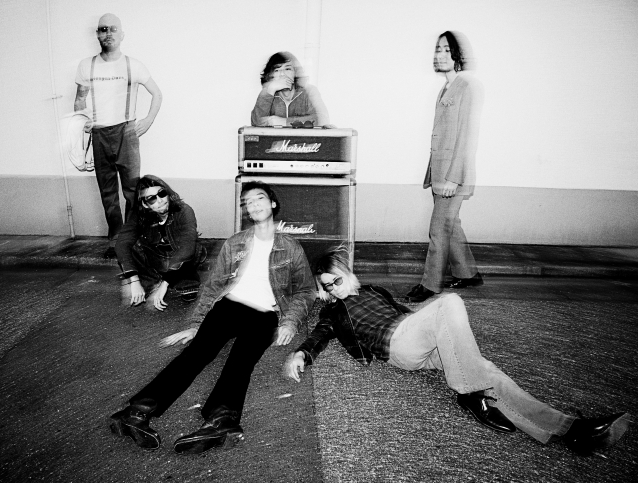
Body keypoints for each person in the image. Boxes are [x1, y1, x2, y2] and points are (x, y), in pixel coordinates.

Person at [285, 248, 631, 456]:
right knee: (450, 300)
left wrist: (432, 320)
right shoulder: (333, 312)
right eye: (327, 286)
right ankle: (468, 393)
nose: (334, 289)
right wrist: (303, 353)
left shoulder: (374, 289)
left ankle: (571, 430)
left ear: (347, 274)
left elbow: (407, 312)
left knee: (484, 367)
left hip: (418, 334)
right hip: (398, 345)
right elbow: (319, 335)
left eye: (337, 280)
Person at [110, 181, 316, 454]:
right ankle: (135, 413)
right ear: (246, 210)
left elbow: (306, 290)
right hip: (229, 306)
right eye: (248, 202)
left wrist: (290, 321)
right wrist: (196, 324)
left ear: (273, 204)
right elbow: (214, 286)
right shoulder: (235, 243)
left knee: (241, 361)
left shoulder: (290, 246)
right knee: (195, 354)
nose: (254, 204)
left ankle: (220, 422)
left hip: (266, 313)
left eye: (260, 198)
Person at [74, 13, 163, 260]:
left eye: (113, 29)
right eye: (103, 29)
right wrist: (82, 119)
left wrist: (148, 120)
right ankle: (115, 240)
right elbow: (80, 99)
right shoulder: (86, 65)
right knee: (108, 191)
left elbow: (157, 94)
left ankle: (131, 239)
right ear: (97, 35)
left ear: (122, 34)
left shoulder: (133, 65)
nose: (108, 33)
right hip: (100, 133)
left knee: (133, 191)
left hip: (126, 131)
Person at [406, 31, 484, 303]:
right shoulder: (446, 88)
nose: (440, 55)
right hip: (440, 172)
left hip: (453, 174)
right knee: (451, 225)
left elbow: (467, 136)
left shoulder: (467, 87)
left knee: (438, 229)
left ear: (458, 54)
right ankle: (468, 273)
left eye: (446, 50)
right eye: (438, 49)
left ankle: (430, 285)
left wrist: (453, 178)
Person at [116, 175, 205, 310]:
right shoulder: (139, 216)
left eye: (162, 194)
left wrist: (164, 285)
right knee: (134, 245)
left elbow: (187, 248)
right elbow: (122, 243)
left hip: (180, 261)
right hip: (158, 257)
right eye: (151, 198)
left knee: (193, 248)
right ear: (144, 204)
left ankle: (183, 281)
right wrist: (134, 280)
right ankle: (152, 279)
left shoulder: (184, 210)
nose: (160, 200)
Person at [250, 51, 331, 128]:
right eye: (277, 70)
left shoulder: (309, 91)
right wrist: (271, 89)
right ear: (271, 75)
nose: (282, 74)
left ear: (295, 72)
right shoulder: (268, 92)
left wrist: (285, 122)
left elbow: (322, 119)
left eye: (287, 69)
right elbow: (256, 122)